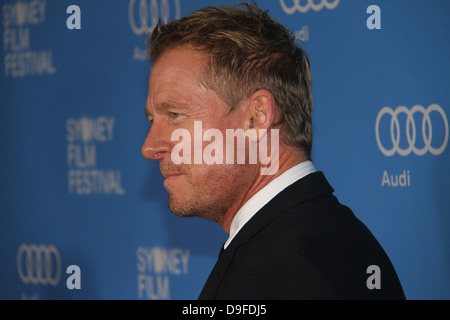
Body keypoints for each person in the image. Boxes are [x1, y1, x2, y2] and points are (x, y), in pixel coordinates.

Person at [141, 2, 405, 300]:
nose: (150, 147)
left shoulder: (287, 268)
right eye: (152, 120)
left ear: (256, 117)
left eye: (175, 115)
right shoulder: (319, 241)